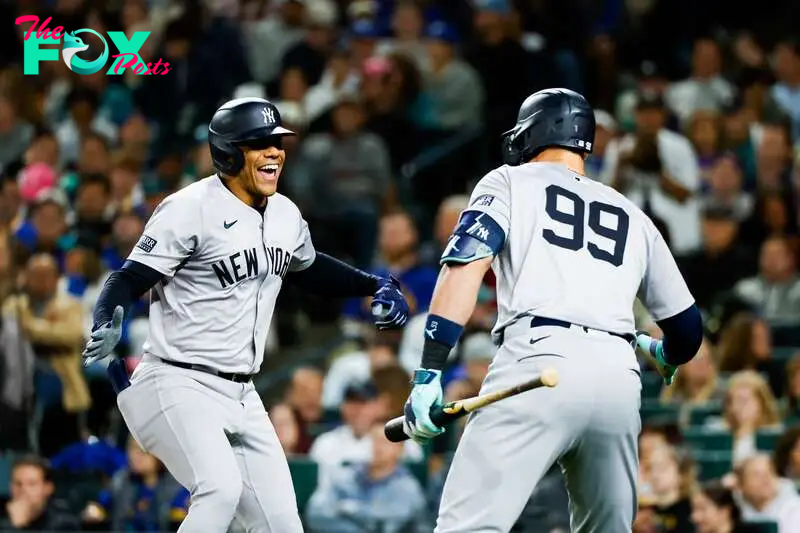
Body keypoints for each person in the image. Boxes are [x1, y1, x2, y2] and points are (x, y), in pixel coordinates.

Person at [81, 97, 411, 533]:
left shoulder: (286, 215)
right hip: (178, 380)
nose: (275, 152)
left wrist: (373, 284)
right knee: (218, 490)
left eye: (277, 143)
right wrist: (106, 318)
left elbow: (311, 269)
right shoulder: (189, 207)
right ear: (229, 153)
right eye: (260, 144)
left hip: (243, 393)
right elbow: (127, 278)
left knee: (281, 525)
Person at [401, 88, 703, 532]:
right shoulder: (632, 214)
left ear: (530, 133)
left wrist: (428, 373)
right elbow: (688, 331)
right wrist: (664, 354)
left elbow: (464, 269)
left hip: (539, 361)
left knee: (468, 527)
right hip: (619, 381)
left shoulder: (507, 180)